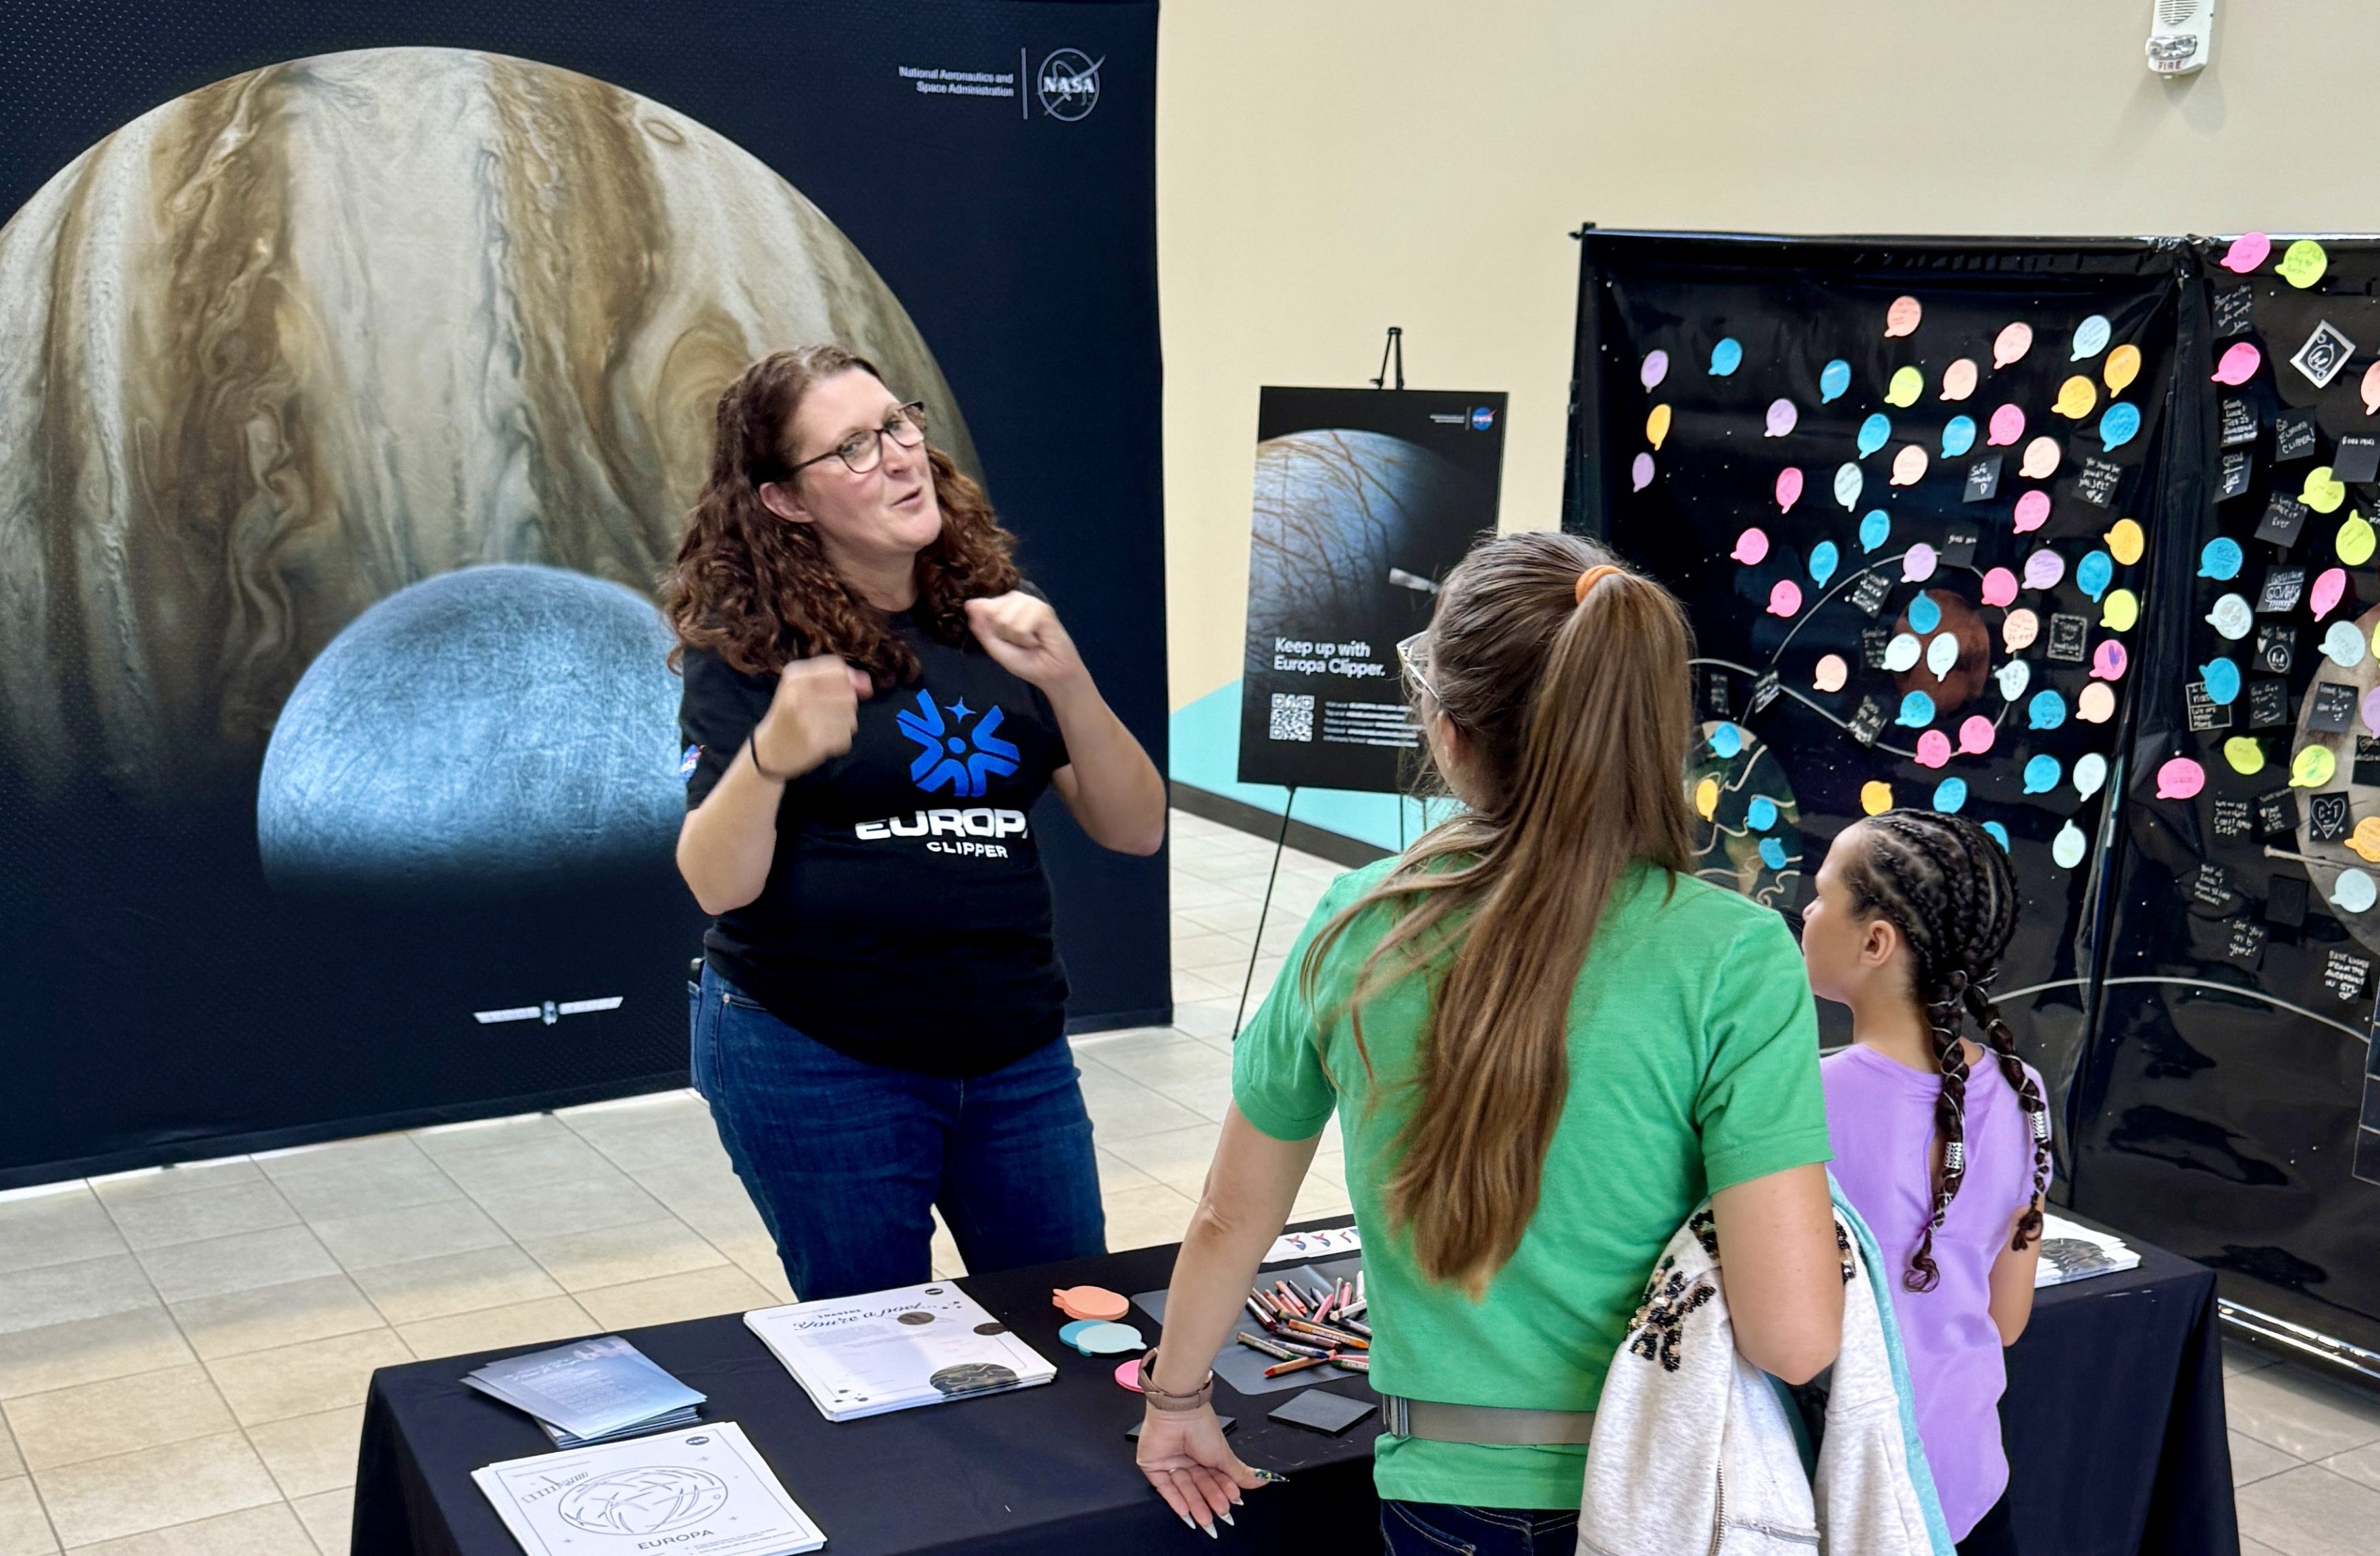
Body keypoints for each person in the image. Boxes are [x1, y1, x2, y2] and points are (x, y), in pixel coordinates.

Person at [1130, 532, 1845, 1553]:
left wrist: (1175, 1398)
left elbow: (1227, 1213)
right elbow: (1795, 1332)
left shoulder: (1354, 924)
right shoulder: (1735, 954)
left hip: (1441, 1494)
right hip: (1670, 1486)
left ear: (1449, 729)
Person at [663, 345, 1165, 1302]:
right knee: (880, 1346)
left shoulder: (991, 614)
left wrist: (1068, 678)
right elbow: (718, 883)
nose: (899, 457)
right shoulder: (748, 647)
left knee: (1072, 1322)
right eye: (851, 446)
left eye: (899, 424)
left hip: (1014, 1046)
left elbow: (1135, 826)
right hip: (819, 1051)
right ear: (784, 499)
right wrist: (773, 751)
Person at [1802, 809, 2050, 1556]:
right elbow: (2006, 1319)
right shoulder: (2024, 1088)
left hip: (1843, 1481)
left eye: (1820, 895)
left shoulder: (1801, 1100)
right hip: (1970, 1479)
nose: (1806, 913)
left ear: (1876, 941)